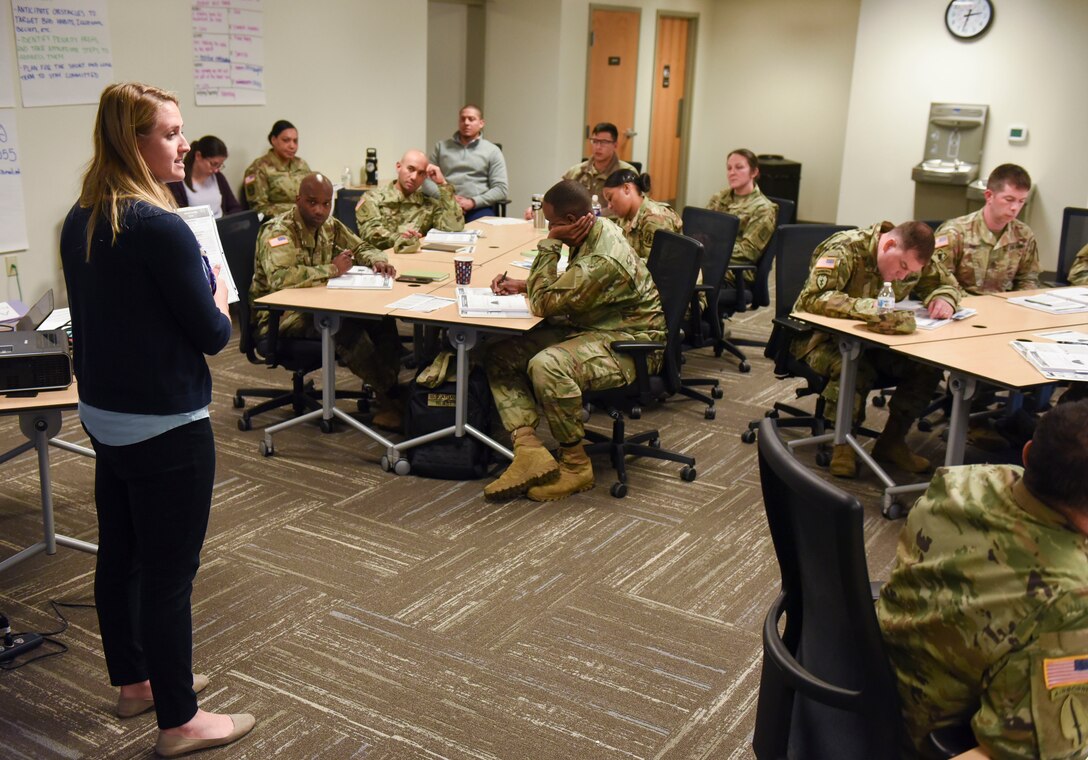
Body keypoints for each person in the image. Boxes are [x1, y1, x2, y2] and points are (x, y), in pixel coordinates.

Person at [58, 82, 254, 758]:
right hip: (167, 427)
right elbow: (211, 335)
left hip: (104, 418)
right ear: (134, 141)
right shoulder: (161, 226)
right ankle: (180, 721)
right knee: (170, 575)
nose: (184, 144)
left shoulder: (81, 216)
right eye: (169, 133)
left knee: (122, 557)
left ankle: (135, 682)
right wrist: (220, 294)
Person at [877, 400, 1088, 760]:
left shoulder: (963, 482)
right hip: (936, 730)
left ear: (1027, 453)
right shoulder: (1070, 600)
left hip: (888, 668)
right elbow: (1027, 753)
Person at [483, 180, 665, 502]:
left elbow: (545, 303)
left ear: (570, 222)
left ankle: (577, 465)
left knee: (547, 366)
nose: (549, 228)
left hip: (630, 342)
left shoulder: (603, 260)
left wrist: (551, 242)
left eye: (552, 223)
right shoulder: (597, 226)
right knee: (501, 353)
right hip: (597, 324)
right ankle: (530, 450)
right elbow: (571, 287)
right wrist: (525, 285)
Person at [791, 221, 961, 478]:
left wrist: (943, 298)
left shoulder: (910, 258)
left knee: (927, 364)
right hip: (821, 340)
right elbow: (811, 299)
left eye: (911, 272)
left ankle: (892, 441)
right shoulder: (846, 249)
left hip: (876, 341)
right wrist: (871, 309)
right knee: (855, 364)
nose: (904, 276)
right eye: (903, 267)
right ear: (889, 244)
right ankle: (843, 444)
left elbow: (946, 284)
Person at [250, 172, 406, 430]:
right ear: (298, 199)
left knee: (380, 320)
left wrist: (377, 260)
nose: (320, 210)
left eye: (326, 203)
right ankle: (387, 400)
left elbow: (360, 247)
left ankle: (389, 390)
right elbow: (280, 278)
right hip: (281, 315)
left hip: (317, 304)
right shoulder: (278, 231)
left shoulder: (329, 225)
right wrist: (332, 269)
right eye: (312, 202)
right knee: (346, 329)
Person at [934, 164, 1039, 294]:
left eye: (1021, 201)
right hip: (961, 305)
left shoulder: (1024, 235)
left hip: (1003, 307)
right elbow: (938, 280)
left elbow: (1028, 279)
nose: (1015, 208)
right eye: (1009, 199)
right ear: (989, 196)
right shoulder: (955, 232)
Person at [355, 149, 464, 253]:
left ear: (425, 176)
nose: (414, 177)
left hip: (415, 260)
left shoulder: (428, 204)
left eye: (421, 173)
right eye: (410, 169)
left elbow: (455, 226)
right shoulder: (373, 197)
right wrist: (401, 238)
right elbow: (370, 234)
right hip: (381, 262)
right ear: (398, 167)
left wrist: (442, 184)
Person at [706, 149, 779, 284]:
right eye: (729, 168)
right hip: (708, 261)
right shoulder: (718, 198)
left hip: (734, 273)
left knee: (685, 279)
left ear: (754, 172)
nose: (732, 172)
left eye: (739, 167)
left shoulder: (763, 208)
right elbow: (701, 230)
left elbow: (748, 252)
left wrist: (709, 248)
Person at [429, 104, 509, 221]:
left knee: (485, 234)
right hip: (444, 204)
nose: (466, 123)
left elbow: (501, 189)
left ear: (481, 123)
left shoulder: (492, 151)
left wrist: (472, 202)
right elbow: (426, 181)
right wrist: (448, 198)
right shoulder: (441, 147)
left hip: (478, 207)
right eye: (463, 119)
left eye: (471, 119)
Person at [601, 169, 682, 261]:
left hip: (673, 274)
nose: (609, 206)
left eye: (610, 198)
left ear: (626, 188)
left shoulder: (655, 218)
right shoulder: (625, 218)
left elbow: (656, 265)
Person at [561, 122, 636, 215]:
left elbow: (633, 209)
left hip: (614, 225)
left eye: (604, 142)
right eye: (595, 141)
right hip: (579, 224)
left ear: (615, 145)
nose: (598, 147)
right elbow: (560, 200)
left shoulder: (626, 173)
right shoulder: (576, 171)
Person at [243, 119, 311, 218]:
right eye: (286, 140)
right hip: (277, 225)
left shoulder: (301, 164)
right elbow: (259, 209)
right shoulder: (258, 169)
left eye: (295, 141)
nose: (292, 146)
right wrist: (297, 210)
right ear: (273, 140)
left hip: (307, 221)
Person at [166, 134, 242, 218]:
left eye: (220, 166)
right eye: (213, 164)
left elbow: (234, 207)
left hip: (222, 226)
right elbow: (179, 215)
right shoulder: (177, 181)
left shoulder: (218, 177)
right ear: (198, 156)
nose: (216, 170)